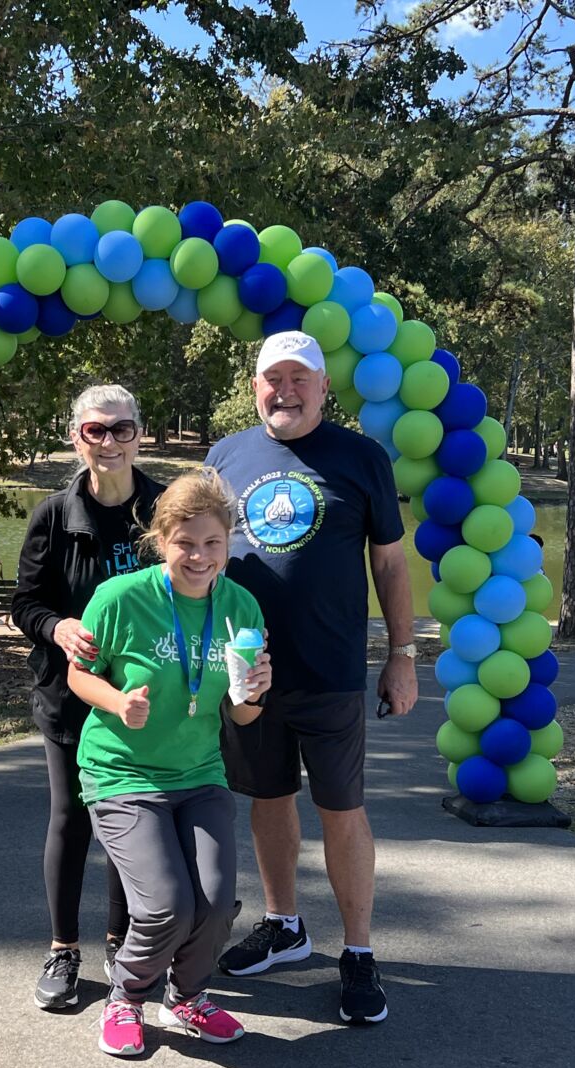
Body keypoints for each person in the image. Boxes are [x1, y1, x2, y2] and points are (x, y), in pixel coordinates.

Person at [205, 330, 418, 1026]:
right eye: (273, 378)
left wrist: (402, 655)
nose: (285, 390)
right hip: (249, 674)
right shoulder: (225, 457)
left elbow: (389, 564)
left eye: (301, 379)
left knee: (341, 810)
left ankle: (357, 951)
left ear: (324, 388)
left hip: (330, 671)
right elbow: (196, 557)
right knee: (267, 800)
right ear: (255, 385)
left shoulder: (360, 457)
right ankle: (284, 925)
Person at [67, 468, 270, 1056]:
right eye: (186, 543)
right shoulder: (121, 597)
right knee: (165, 906)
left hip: (200, 772)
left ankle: (186, 997)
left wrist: (256, 693)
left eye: (213, 543)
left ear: (229, 542)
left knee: (213, 903)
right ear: (161, 539)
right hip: (122, 773)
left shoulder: (241, 606)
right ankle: (126, 997)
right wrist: (117, 701)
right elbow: (79, 674)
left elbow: (242, 715)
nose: (200, 556)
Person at [11, 384, 166, 1010]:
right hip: (69, 696)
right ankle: (63, 950)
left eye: (121, 429)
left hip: (144, 696)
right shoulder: (53, 513)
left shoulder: (164, 506)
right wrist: (57, 626)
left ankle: (121, 942)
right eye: (95, 430)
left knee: (131, 822)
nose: (109, 442)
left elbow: (199, 574)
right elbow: (25, 601)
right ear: (77, 437)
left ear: (139, 434)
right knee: (73, 818)